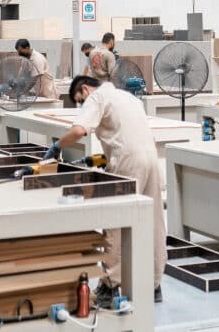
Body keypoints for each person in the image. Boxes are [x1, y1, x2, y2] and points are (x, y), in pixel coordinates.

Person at [49, 76, 165, 304]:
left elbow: (80, 130)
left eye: (80, 100)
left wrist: (57, 146)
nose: (82, 105)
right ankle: (153, 285)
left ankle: (110, 285)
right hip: (152, 158)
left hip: (128, 162)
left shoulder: (97, 97)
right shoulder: (127, 97)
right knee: (153, 221)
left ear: (85, 88)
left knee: (117, 224)